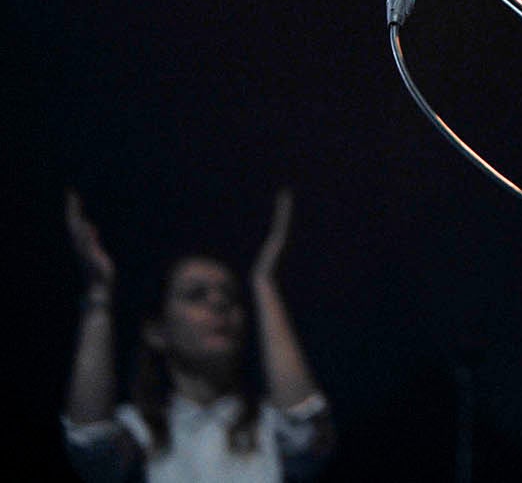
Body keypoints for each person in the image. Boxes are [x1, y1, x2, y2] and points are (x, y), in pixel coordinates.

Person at [62, 189, 335, 483]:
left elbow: (305, 430)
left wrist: (264, 282)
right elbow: (91, 441)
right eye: (196, 295)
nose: (219, 303)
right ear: (158, 332)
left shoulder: (268, 425)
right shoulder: (137, 430)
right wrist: (99, 291)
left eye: (230, 295)